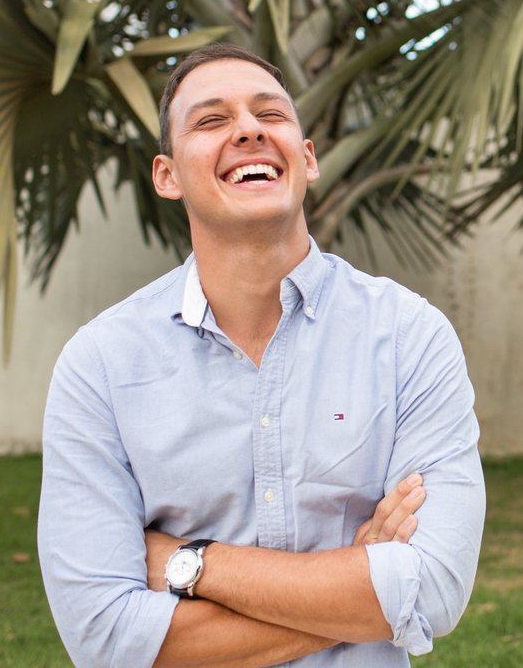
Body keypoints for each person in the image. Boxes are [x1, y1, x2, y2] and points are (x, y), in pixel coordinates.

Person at [37, 43, 485, 668]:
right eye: (212, 120)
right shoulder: (101, 365)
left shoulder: (411, 337)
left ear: (307, 158)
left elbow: (434, 591)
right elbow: (104, 637)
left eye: (269, 114)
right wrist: (361, 590)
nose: (248, 129)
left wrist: (188, 563)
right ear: (166, 176)